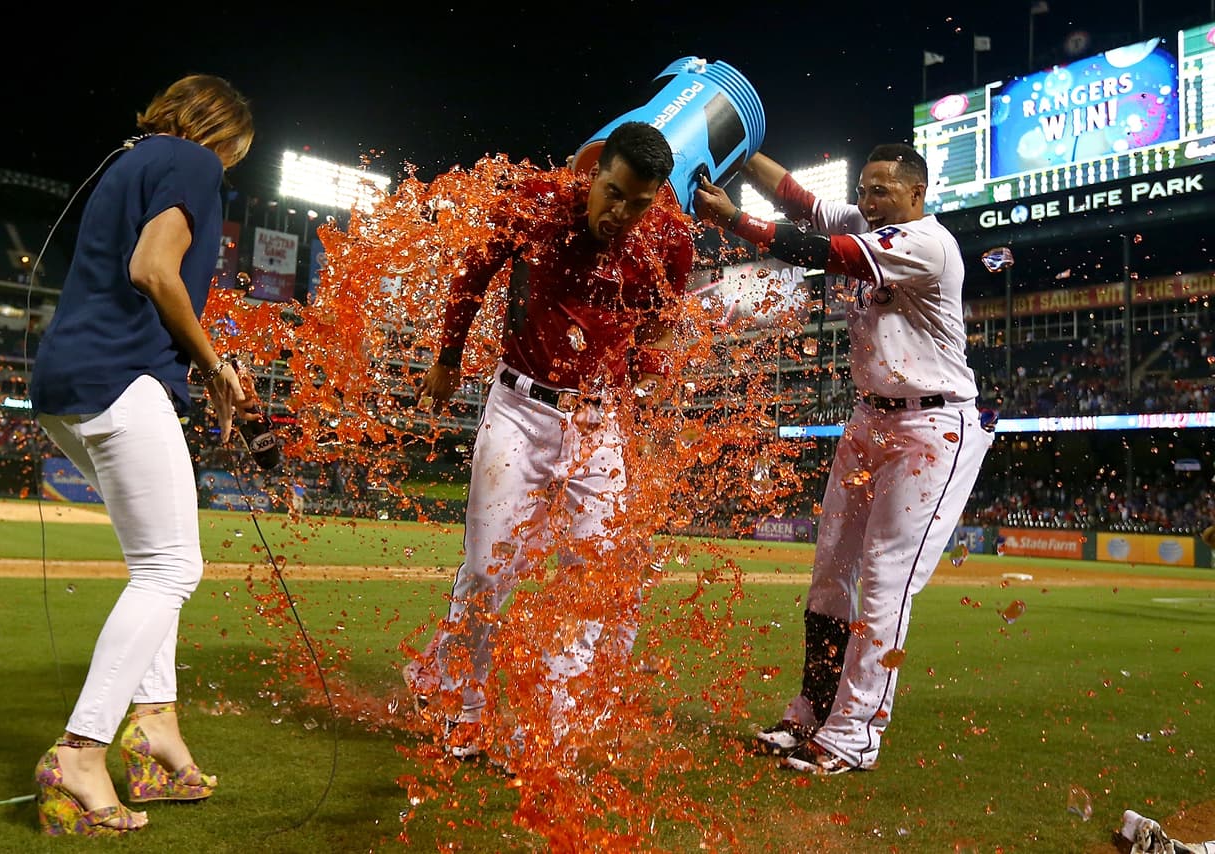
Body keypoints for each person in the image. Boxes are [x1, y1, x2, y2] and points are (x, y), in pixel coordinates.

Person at [694, 145, 994, 774]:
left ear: (917, 193)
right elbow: (800, 200)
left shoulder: (928, 244)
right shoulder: (868, 221)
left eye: (883, 189)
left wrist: (730, 220)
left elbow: (818, 250)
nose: (869, 198)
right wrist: (742, 146)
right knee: (831, 570)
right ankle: (813, 709)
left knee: (886, 580)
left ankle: (855, 734)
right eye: (864, 187)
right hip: (868, 420)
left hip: (930, 427)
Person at [405, 121, 695, 760]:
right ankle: (463, 707)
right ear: (594, 174)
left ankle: (551, 722)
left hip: (598, 422)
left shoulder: (670, 241)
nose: (621, 213)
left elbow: (664, 327)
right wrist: (447, 357)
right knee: (487, 570)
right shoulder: (533, 202)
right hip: (519, 408)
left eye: (639, 203)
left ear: (658, 198)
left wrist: (651, 370)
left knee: (595, 577)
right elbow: (473, 273)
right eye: (613, 193)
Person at [27, 74, 256, 835]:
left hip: (67, 380)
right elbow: (153, 270)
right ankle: (82, 751)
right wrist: (216, 364)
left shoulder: (129, 159)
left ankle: (155, 728)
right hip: (120, 379)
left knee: (156, 562)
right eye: (237, 156)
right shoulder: (194, 162)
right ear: (221, 135)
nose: (230, 169)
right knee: (172, 569)